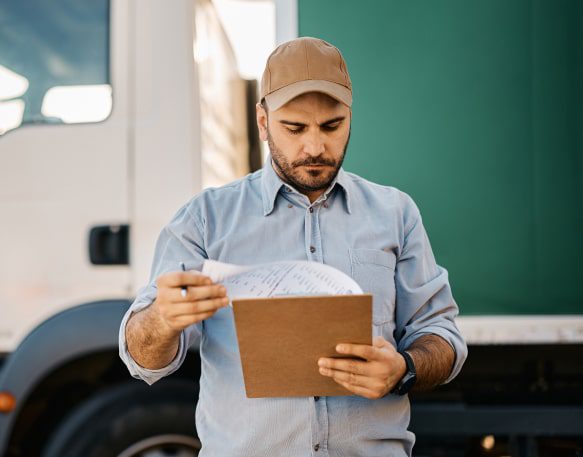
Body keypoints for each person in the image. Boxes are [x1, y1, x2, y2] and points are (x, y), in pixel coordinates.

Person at [119, 36, 467, 457]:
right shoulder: (204, 219)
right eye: (295, 128)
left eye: (332, 126)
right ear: (263, 122)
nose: (315, 147)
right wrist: (162, 319)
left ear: (350, 119)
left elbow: (441, 335)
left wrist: (404, 370)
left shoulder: (396, 213)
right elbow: (143, 361)